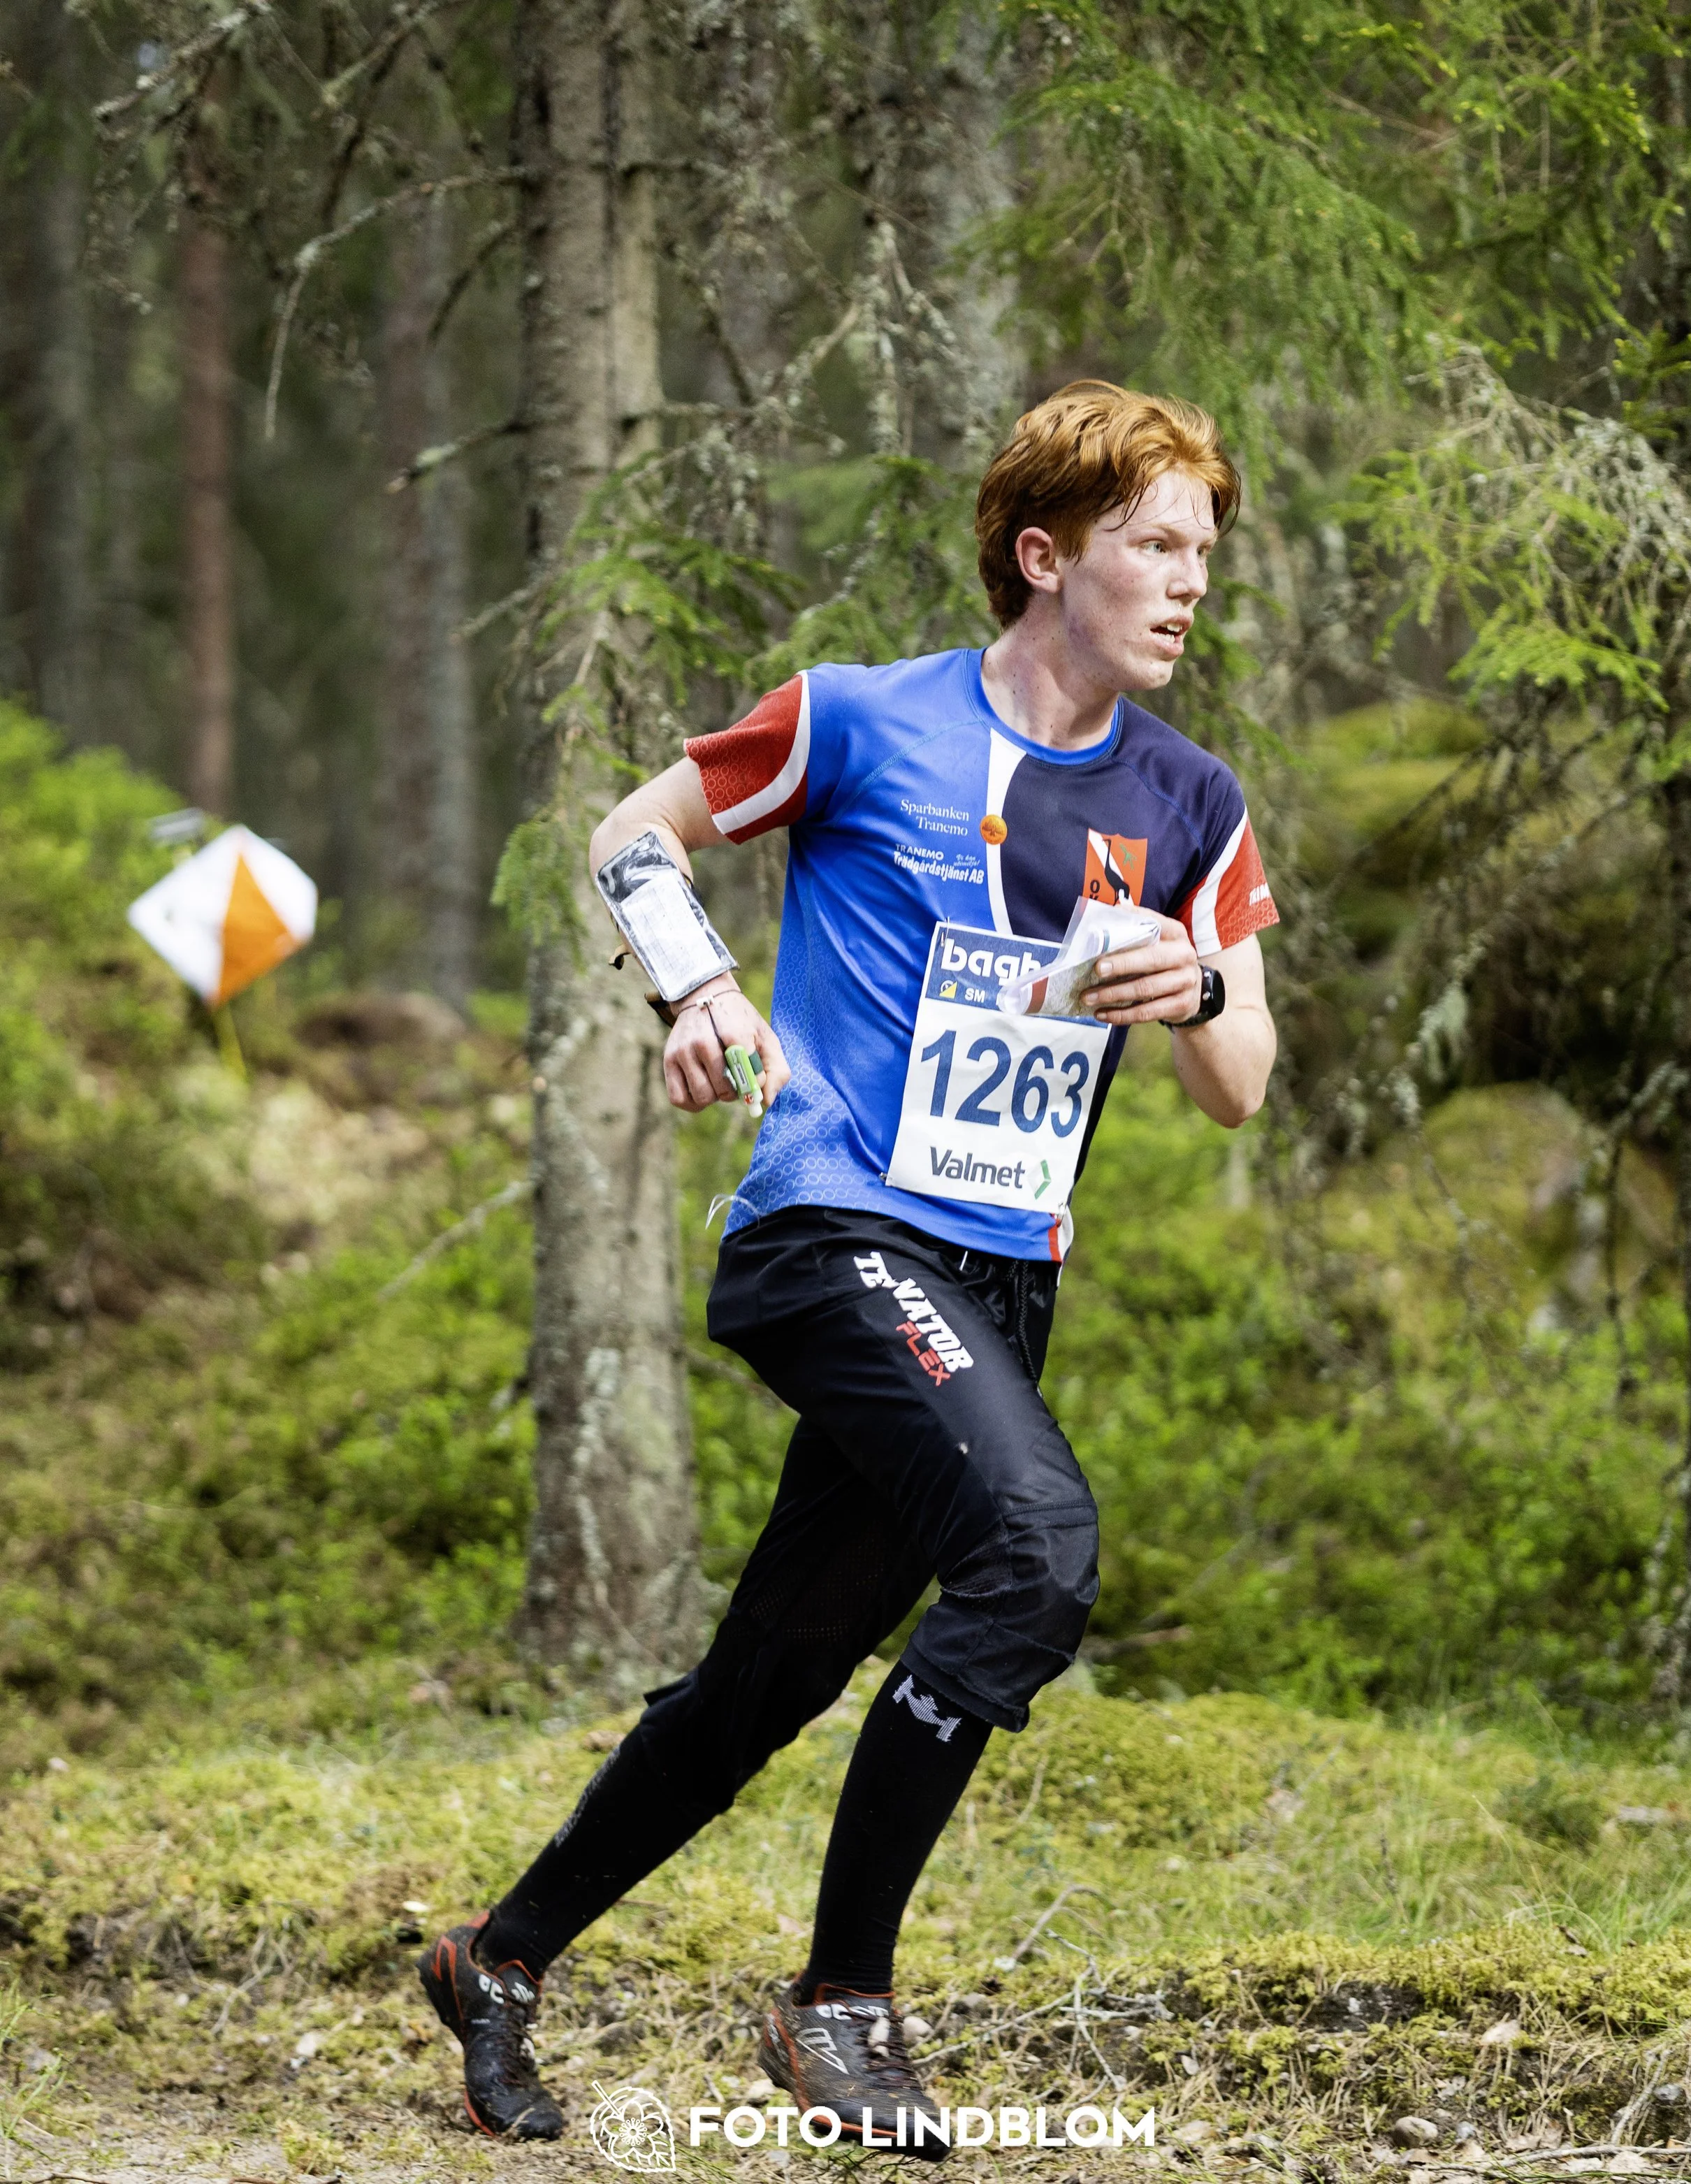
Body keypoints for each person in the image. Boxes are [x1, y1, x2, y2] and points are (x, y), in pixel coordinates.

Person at [418, 379, 1279, 2147]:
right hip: (833, 1233)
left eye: (1204, 551)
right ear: (1045, 557)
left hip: (994, 1283)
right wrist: (700, 984)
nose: (1189, 584)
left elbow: (1237, 1081)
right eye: (1152, 546)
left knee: (773, 1674)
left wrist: (1187, 989)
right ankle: (840, 1999)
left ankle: (495, 1957)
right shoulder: (857, 720)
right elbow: (625, 836)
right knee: (1036, 1558)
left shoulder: (1192, 799)